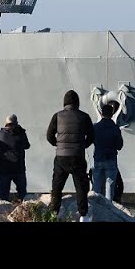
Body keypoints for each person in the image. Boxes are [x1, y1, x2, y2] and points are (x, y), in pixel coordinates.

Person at [46, 89, 95, 222]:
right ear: (77, 103)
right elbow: (92, 136)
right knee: (81, 187)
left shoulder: (57, 116)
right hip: (77, 156)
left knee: (57, 186)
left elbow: (49, 136)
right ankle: (83, 216)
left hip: (61, 157)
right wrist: (83, 145)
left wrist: (58, 145)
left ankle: (53, 214)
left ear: (64, 103)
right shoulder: (84, 116)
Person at [0, 114, 31, 202]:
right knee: (22, 193)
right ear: (16, 123)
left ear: (6, 123)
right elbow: (27, 146)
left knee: (3, 194)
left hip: (4, 168)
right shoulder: (21, 133)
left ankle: (3, 211)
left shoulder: (0, 134)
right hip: (19, 167)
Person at [92, 104, 124, 202]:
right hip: (111, 159)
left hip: (98, 159)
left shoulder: (95, 127)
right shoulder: (115, 128)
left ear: (101, 113)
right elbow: (119, 146)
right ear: (112, 114)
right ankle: (109, 208)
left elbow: (90, 140)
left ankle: (96, 208)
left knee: (97, 186)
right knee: (110, 187)